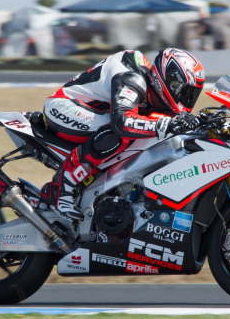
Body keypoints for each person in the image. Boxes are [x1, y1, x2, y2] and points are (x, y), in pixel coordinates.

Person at [33, 48, 206, 221]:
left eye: (191, 95)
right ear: (169, 81)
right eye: (184, 91)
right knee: (122, 132)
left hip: (96, 111)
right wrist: (168, 123)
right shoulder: (132, 78)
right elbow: (122, 123)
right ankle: (61, 188)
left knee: (153, 127)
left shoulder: (151, 84)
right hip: (63, 106)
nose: (186, 99)